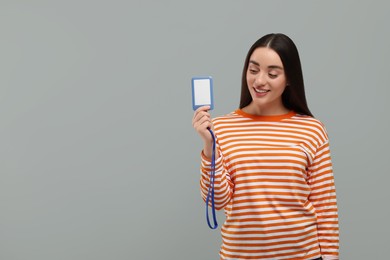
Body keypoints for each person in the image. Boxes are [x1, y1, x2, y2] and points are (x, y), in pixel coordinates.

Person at [192, 33, 339, 260]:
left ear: (289, 78)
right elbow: (217, 201)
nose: (260, 81)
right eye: (253, 70)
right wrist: (209, 147)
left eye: (272, 73)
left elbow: (325, 206)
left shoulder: (312, 129)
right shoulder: (220, 128)